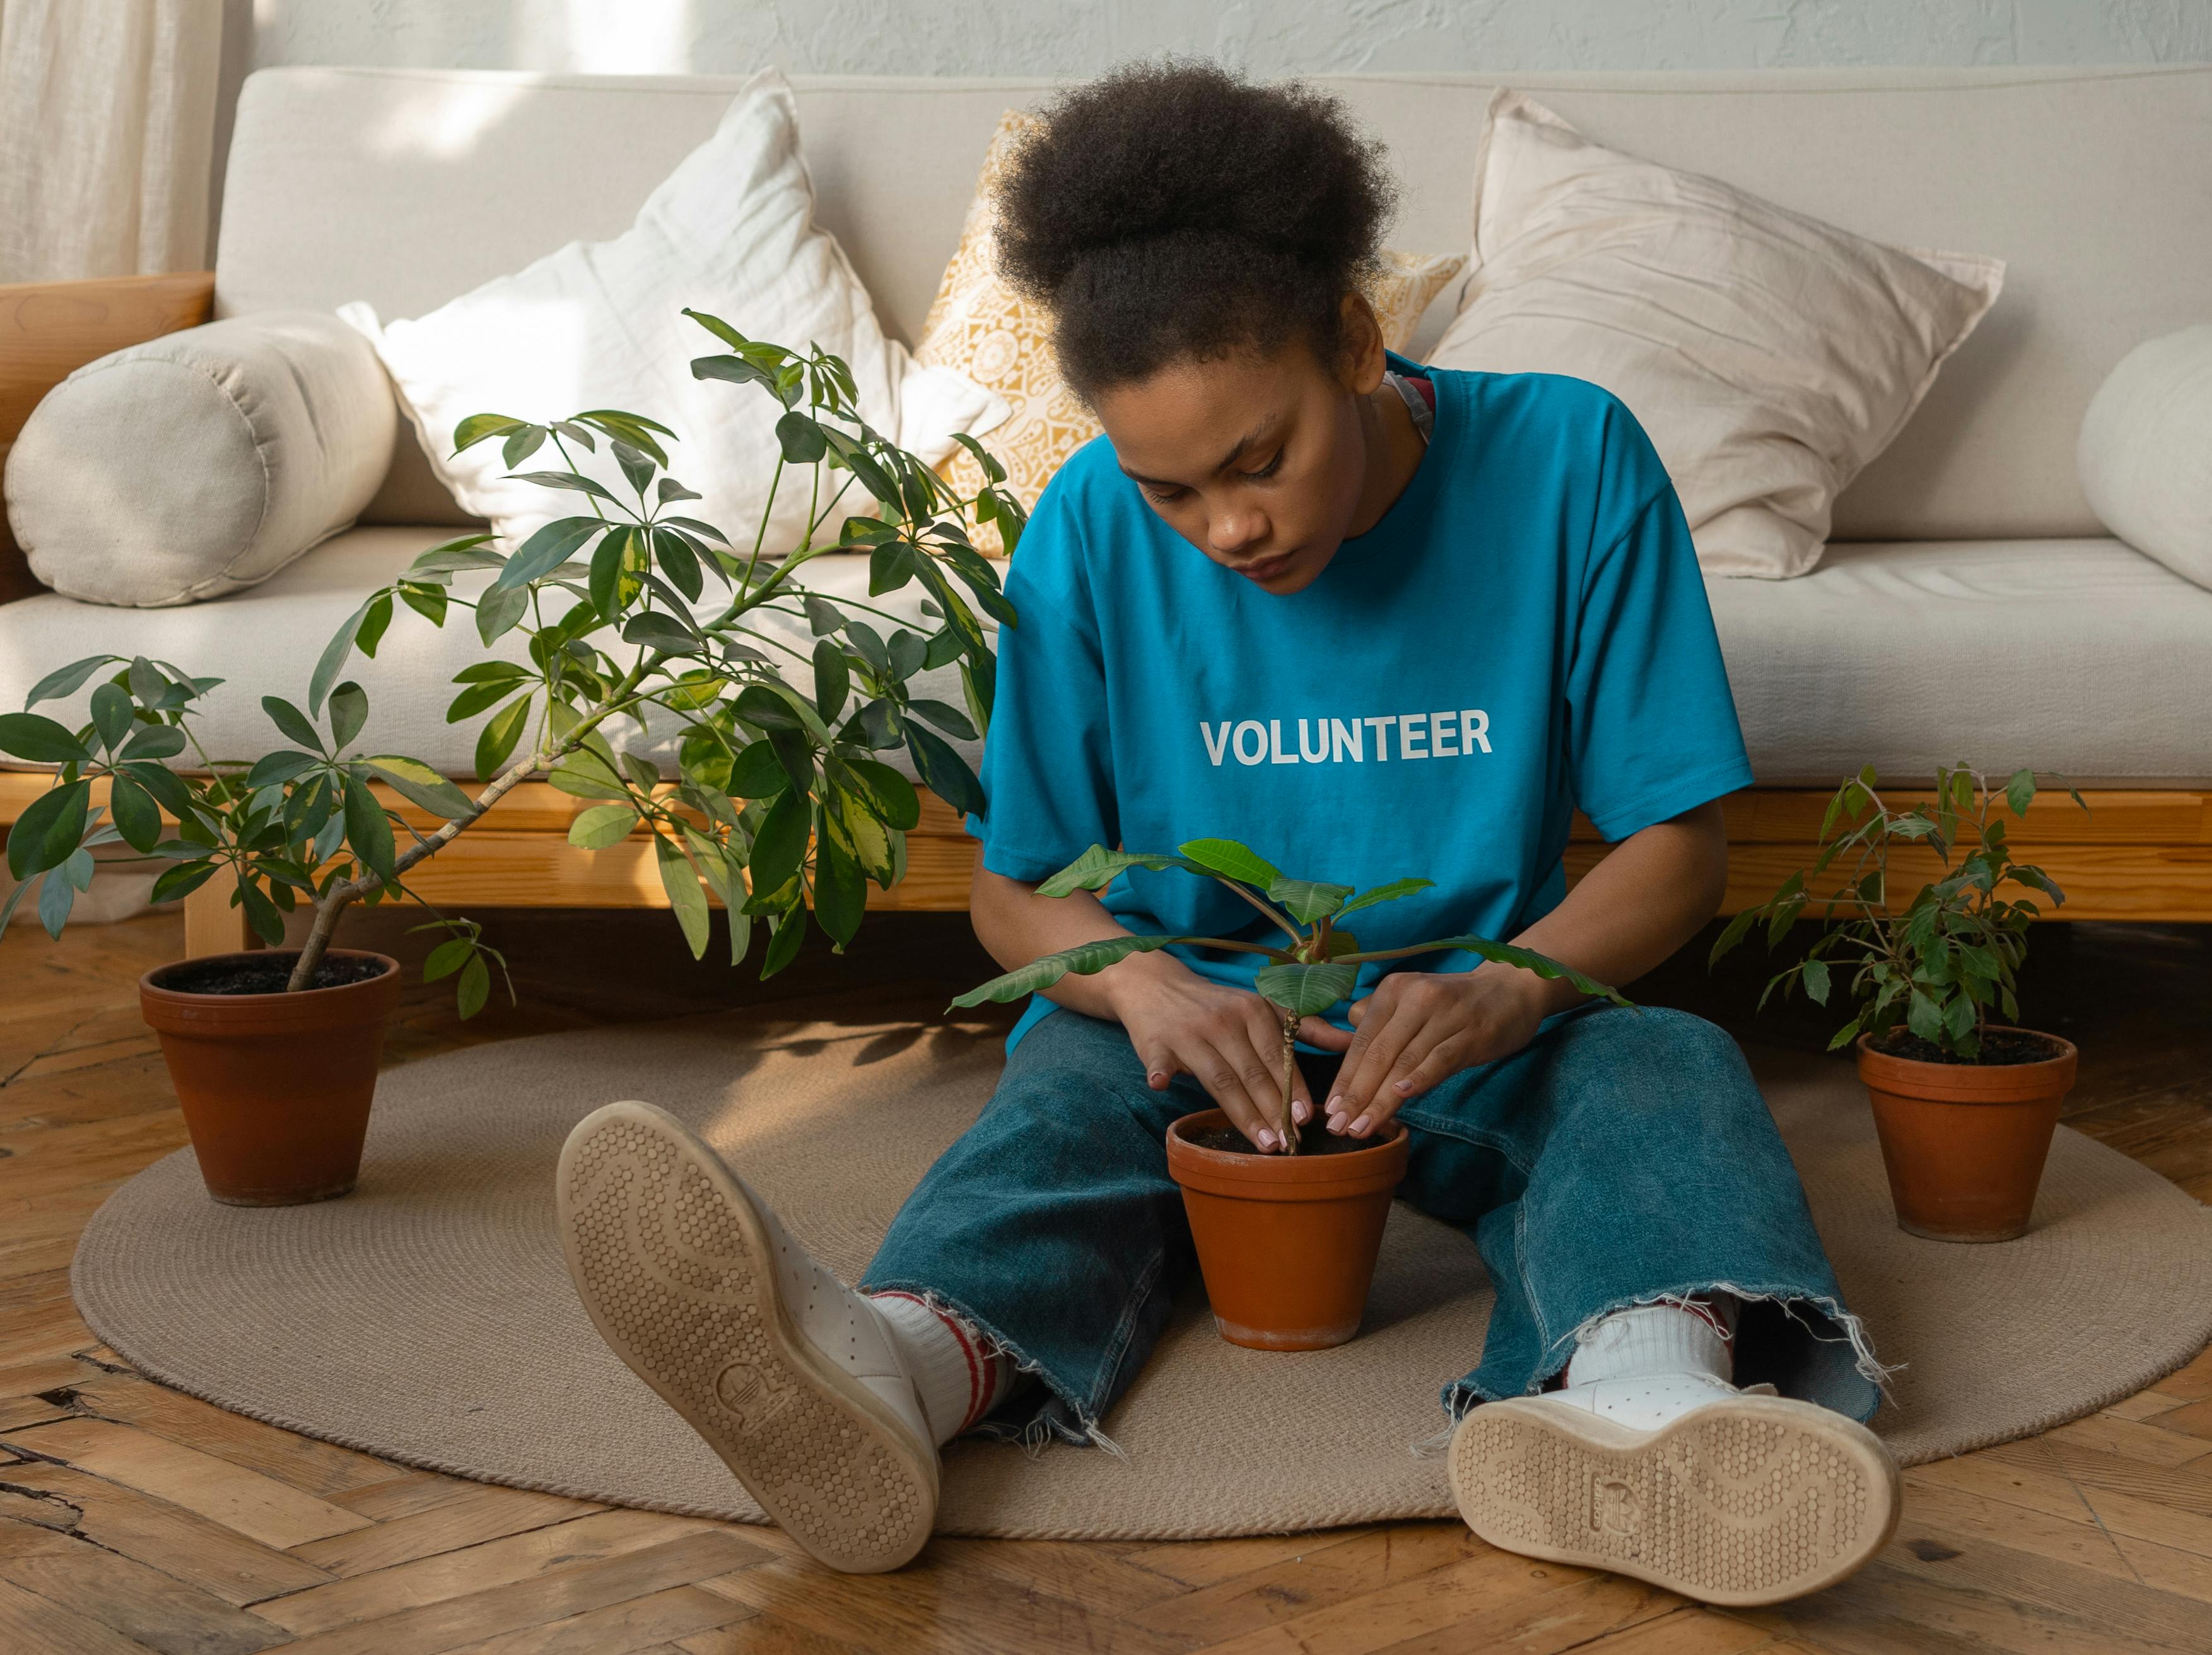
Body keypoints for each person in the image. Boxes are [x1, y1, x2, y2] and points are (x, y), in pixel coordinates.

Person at [554, 62, 1898, 1603]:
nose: (1227, 528)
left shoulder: (1573, 461)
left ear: (1355, 344)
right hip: (1207, 1042)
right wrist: (1137, 982)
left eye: (1259, 461)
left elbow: (1680, 850)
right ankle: (895, 1377)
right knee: (1063, 1098)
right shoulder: (1083, 523)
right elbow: (1018, 890)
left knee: (1661, 1063)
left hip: (1484, 1024)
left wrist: (1511, 987)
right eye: (1173, 490)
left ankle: (1644, 1411)